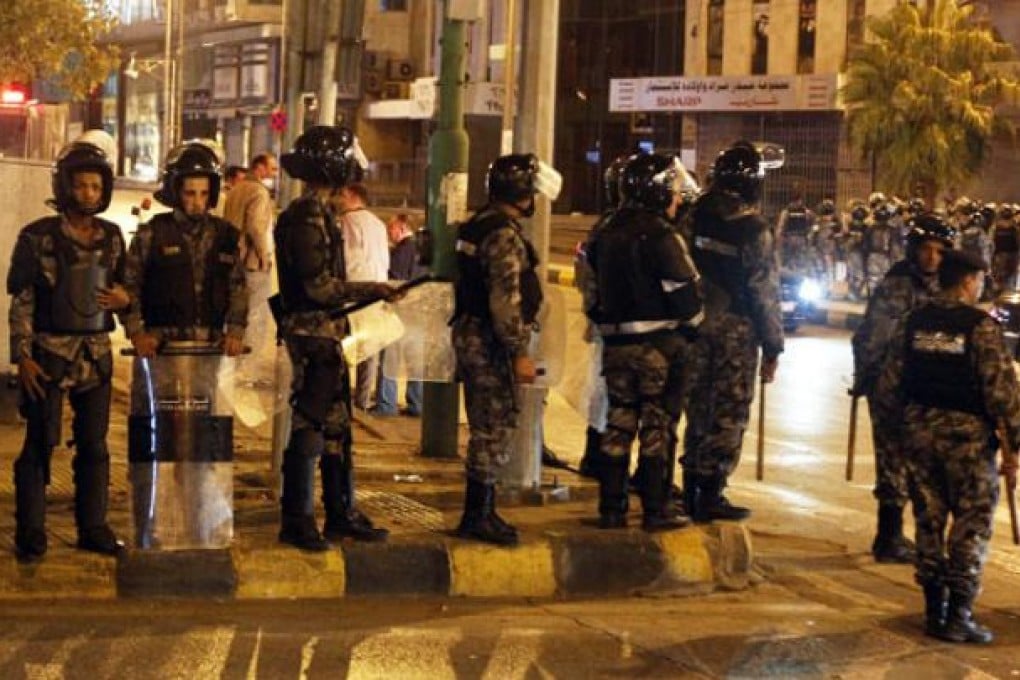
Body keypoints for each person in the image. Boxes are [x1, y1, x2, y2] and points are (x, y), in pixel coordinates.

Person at [876, 248, 1019, 644]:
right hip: (968, 443)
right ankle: (959, 614)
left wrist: (895, 433)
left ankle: (932, 611)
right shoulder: (980, 328)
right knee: (971, 526)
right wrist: (1014, 444)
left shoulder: (912, 321)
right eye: (979, 281)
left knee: (928, 521)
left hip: (919, 437)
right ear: (968, 281)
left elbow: (889, 385)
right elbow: (1003, 393)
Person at [6, 140, 130, 561]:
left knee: (94, 445)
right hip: (48, 356)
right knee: (41, 443)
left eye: (96, 186)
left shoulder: (113, 238)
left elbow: (127, 289)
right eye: (81, 186)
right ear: (65, 187)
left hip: (95, 357)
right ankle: (31, 531)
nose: (89, 194)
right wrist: (21, 356)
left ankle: (93, 526)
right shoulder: (38, 237)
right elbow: (21, 300)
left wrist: (124, 301)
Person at [273, 125, 395, 551]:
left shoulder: (322, 213)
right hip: (312, 335)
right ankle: (298, 518)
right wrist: (370, 290)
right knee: (310, 422)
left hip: (328, 334)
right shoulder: (307, 216)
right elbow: (318, 288)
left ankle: (340, 513)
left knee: (337, 427)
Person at [583, 153, 703, 531]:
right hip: (658, 347)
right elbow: (687, 295)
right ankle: (655, 508)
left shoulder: (603, 232)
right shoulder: (661, 234)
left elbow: (592, 292)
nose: (677, 199)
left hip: (616, 346)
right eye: (672, 191)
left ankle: (611, 508)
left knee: (618, 423)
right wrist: (693, 326)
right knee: (657, 426)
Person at [451, 153, 557, 546]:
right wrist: (519, 351)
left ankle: (480, 511)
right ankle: (478, 514)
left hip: (472, 334)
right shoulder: (502, 235)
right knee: (495, 426)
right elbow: (506, 300)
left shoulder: (477, 225)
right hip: (490, 342)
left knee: (485, 425)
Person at [683, 140, 784, 522]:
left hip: (694, 324)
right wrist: (774, 345)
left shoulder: (691, 215)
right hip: (736, 331)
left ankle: (690, 483)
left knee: (697, 405)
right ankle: (711, 492)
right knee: (728, 409)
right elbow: (763, 291)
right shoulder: (752, 227)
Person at [851, 213, 956, 563]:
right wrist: (867, 377)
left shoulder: (948, 285)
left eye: (939, 251)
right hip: (894, 388)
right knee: (893, 463)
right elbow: (873, 336)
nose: (931, 257)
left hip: (928, 390)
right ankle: (889, 536)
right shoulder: (898, 285)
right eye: (925, 249)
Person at [223, 152, 279, 385]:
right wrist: (265, 256)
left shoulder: (236, 189)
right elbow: (256, 226)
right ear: (259, 167)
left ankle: (229, 368)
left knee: (234, 312)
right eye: (272, 169)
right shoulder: (258, 191)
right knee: (256, 318)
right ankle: (248, 372)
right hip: (252, 261)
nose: (274, 174)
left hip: (234, 258)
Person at [334, 182, 390, 411]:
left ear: (353, 196)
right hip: (376, 289)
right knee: (370, 350)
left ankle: (343, 399)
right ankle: (363, 401)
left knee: (344, 347)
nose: (338, 199)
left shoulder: (346, 222)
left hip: (352, 291)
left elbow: (344, 258)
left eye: (342, 194)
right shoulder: (378, 223)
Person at [372, 213, 424, 417]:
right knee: (416, 363)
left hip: (399, 314)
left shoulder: (402, 251)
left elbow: (395, 280)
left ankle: (386, 405)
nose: (389, 233)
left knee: (389, 362)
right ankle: (416, 404)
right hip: (418, 314)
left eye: (391, 228)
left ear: (402, 227)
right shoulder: (421, 249)